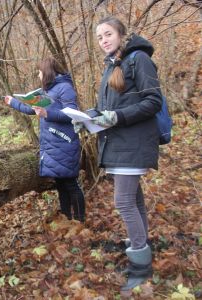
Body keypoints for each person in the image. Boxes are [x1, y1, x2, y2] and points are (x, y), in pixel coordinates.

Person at [83, 16, 162, 291]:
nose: (103, 40)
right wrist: (84, 118)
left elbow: (152, 101)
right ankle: (140, 246)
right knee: (135, 201)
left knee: (124, 202)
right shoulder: (109, 67)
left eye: (108, 34)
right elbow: (104, 108)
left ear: (121, 34)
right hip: (117, 144)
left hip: (134, 142)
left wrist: (116, 117)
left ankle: (140, 267)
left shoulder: (138, 59)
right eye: (99, 37)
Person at [4, 57, 85, 222]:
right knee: (61, 185)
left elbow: (73, 114)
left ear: (48, 72)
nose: (38, 74)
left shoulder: (65, 88)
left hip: (64, 143)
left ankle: (80, 220)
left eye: (40, 71)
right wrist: (13, 103)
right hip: (52, 145)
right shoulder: (47, 91)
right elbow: (32, 110)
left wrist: (48, 114)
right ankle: (67, 219)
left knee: (70, 184)